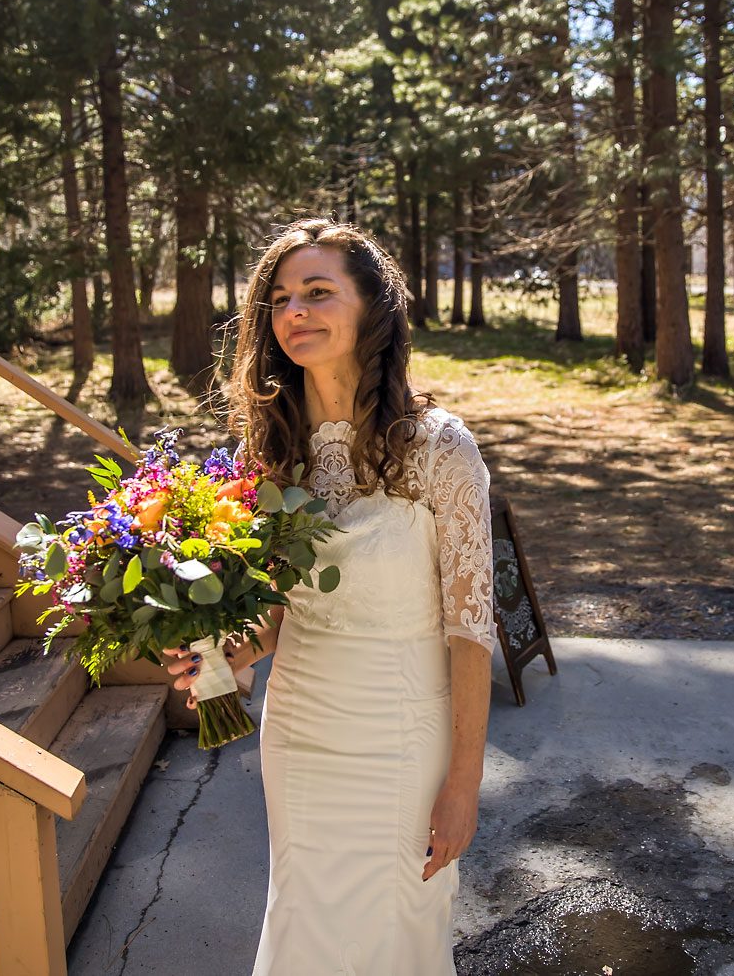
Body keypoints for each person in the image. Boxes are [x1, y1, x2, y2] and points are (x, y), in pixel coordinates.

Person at [165, 218, 495, 975]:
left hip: (402, 735)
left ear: (372, 307)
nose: (295, 311)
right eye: (280, 298)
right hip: (300, 732)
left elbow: (471, 631)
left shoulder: (440, 448)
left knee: (396, 926)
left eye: (318, 291)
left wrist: (464, 783)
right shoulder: (268, 453)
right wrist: (221, 654)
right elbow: (281, 614)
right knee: (304, 921)